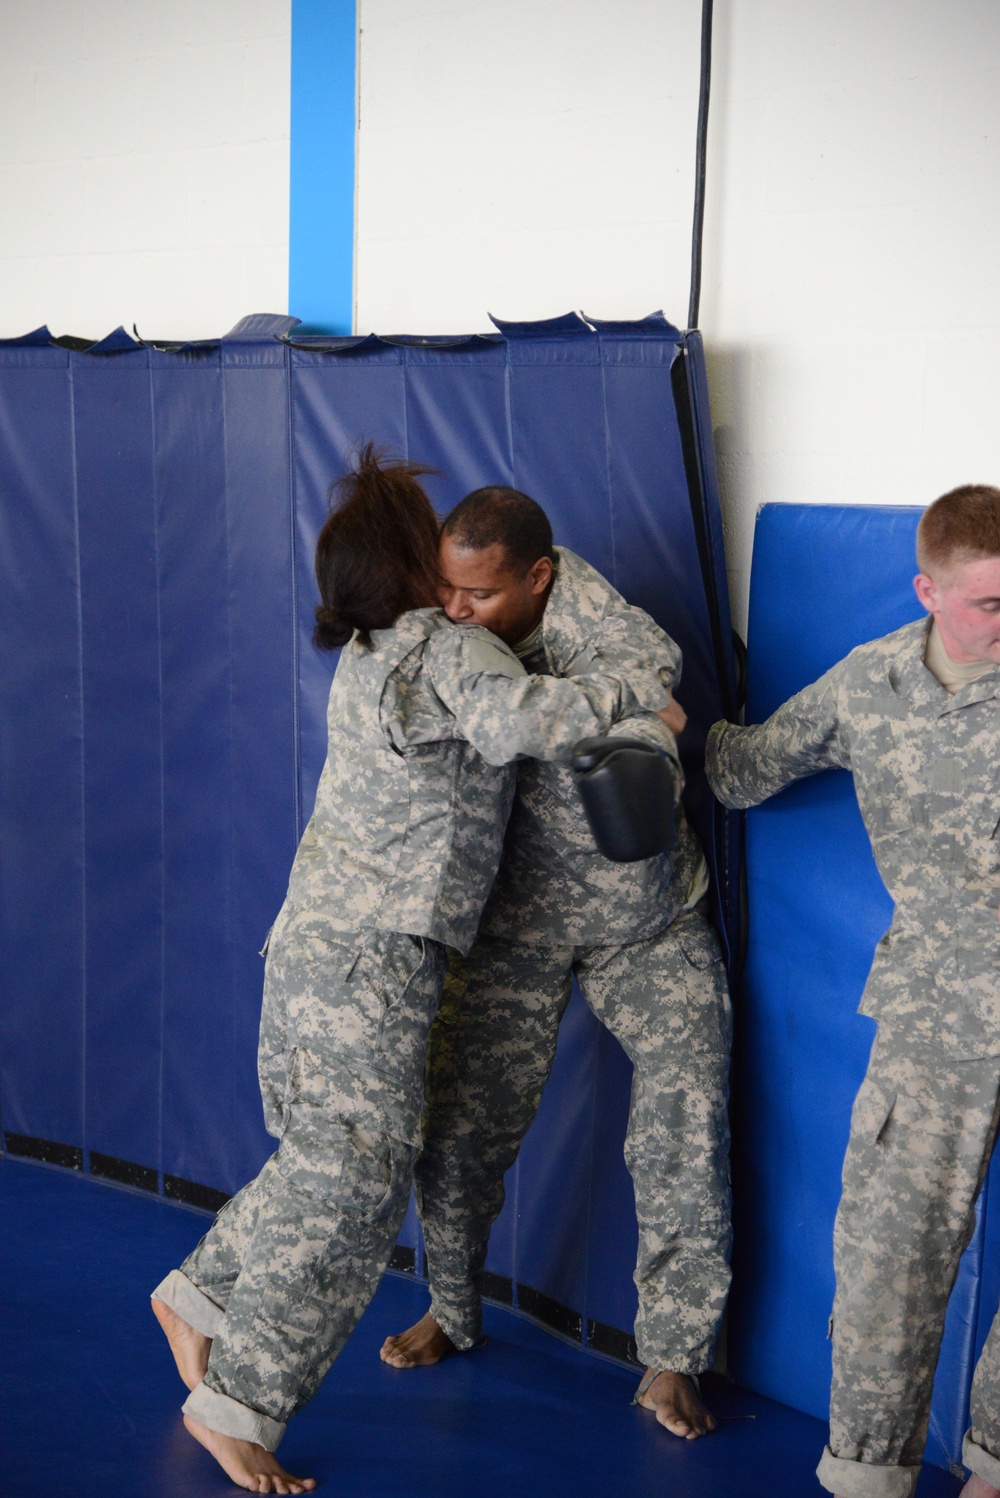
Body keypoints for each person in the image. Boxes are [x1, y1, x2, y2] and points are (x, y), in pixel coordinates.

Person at [149, 449, 658, 1495]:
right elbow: (530, 721)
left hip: (312, 948)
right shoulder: (441, 650)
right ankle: (238, 1406)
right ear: (410, 570)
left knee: (322, 1158)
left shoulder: (372, 649)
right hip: (375, 959)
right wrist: (638, 696)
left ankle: (197, 1295)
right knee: (358, 1183)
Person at [380, 486, 732, 1442]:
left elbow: (654, 686)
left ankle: (671, 1358)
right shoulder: (448, 622)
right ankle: (451, 1309)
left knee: (685, 1120)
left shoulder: (603, 625)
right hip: (512, 927)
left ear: (537, 577)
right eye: (446, 590)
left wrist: (641, 741)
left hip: (643, 921)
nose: (457, 610)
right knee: (456, 1135)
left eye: (481, 595)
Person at [704, 484, 1000, 1498]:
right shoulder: (867, 684)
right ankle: (866, 1474)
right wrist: (678, 732)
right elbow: (745, 769)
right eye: (990, 605)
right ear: (927, 590)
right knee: (886, 1263)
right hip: (935, 1019)